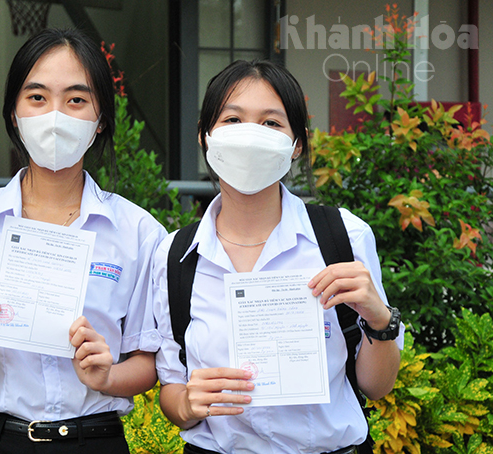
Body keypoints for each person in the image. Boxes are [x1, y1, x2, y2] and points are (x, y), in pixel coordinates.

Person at [0, 28, 166, 453]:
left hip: (95, 440)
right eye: (37, 97)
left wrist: (107, 376)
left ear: (100, 119)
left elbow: (146, 363)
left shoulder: (138, 232)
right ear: (13, 112)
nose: (55, 115)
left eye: (76, 100)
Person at [152, 59, 403, 454]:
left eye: (271, 123)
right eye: (232, 120)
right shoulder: (175, 256)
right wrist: (186, 404)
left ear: (296, 144)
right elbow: (172, 388)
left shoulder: (343, 237)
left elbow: (377, 387)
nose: (250, 136)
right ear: (205, 137)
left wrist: (379, 318)